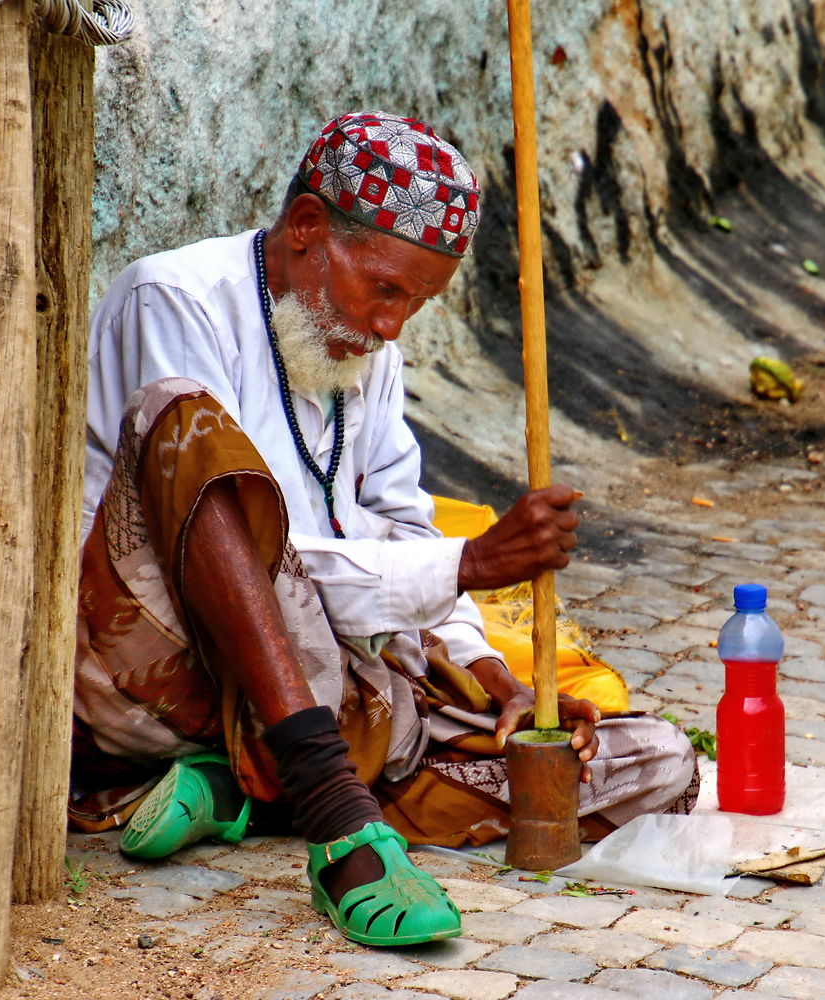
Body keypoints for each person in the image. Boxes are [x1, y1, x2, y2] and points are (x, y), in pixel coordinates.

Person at [72, 111, 698, 948]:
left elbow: (403, 521)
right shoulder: (175, 299)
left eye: (420, 302)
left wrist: (488, 676)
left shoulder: (363, 344)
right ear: (306, 229)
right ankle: (334, 816)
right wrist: (469, 562)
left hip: (332, 690)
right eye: (387, 289)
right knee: (179, 420)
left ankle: (242, 787)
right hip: (162, 662)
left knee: (656, 760)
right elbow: (249, 552)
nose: (394, 325)